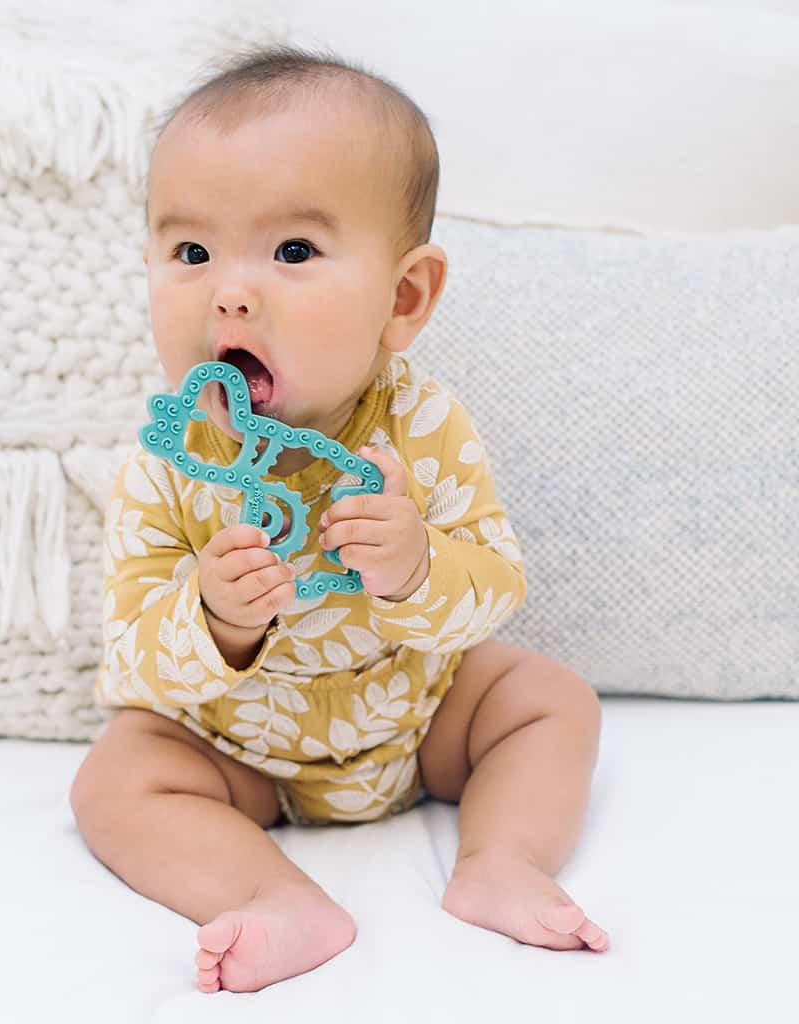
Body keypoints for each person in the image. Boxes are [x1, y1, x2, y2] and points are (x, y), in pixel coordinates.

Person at [70, 43, 609, 995]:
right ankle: (273, 897)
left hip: (418, 714)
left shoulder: (425, 429)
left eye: (292, 252)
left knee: (550, 699)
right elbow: (131, 654)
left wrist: (414, 565)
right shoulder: (171, 462)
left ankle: (502, 859)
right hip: (239, 752)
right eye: (191, 252)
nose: (229, 290)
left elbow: (494, 588)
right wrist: (216, 617)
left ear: (403, 299)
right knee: (116, 780)